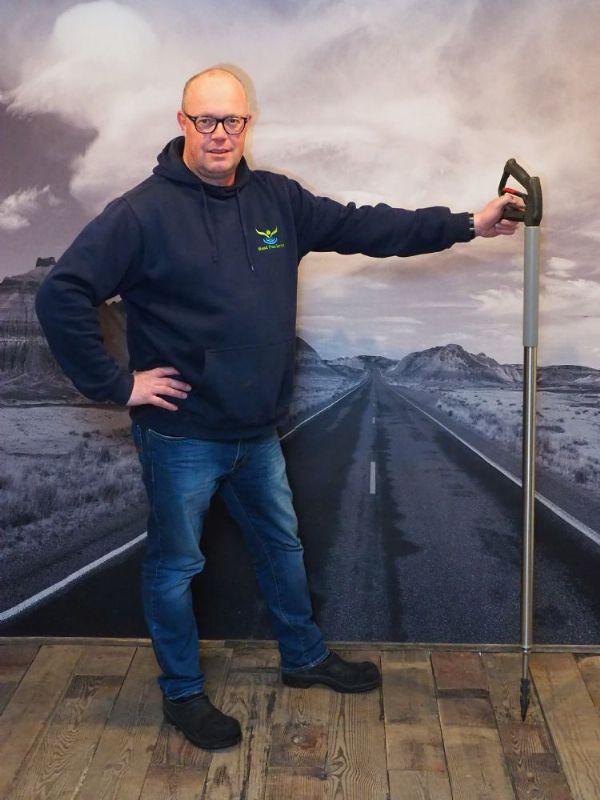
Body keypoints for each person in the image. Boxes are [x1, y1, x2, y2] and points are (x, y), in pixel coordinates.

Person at [36, 67, 523, 751]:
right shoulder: (141, 213)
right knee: (175, 567)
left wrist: (467, 223)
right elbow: (60, 293)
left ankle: (303, 657)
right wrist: (117, 386)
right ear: (182, 123)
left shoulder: (277, 200)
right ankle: (182, 693)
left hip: (256, 431)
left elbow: (366, 226)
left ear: (248, 123)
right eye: (206, 120)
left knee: (282, 546)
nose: (220, 134)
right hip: (182, 436)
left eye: (232, 120)